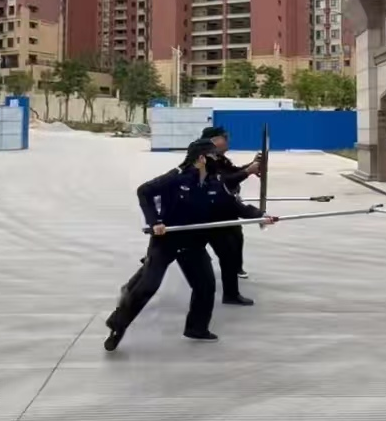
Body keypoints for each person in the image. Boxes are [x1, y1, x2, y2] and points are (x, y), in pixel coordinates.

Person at [104, 139, 278, 352]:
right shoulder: (176, 177)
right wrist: (155, 222)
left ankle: (197, 328)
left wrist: (261, 216)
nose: (217, 159)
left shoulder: (214, 182)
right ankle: (117, 325)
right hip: (165, 241)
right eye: (213, 156)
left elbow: (234, 206)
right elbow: (144, 191)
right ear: (201, 158)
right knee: (148, 285)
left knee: (205, 285)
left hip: (193, 243)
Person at [201, 126, 261, 297]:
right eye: (224, 137)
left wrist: (251, 166)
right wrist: (247, 171)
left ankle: (235, 276)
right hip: (210, 212)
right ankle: (231, 293)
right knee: (223, 249)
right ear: (213, 141)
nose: (228, 140)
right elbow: (225, 181)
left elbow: (233, 172)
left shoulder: (220, 159)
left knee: (235, 239)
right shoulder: (206, 161)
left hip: (223, 207)